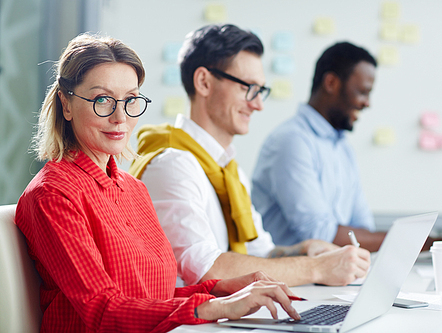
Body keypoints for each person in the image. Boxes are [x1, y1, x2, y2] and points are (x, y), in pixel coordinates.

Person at [15, 33, 301, 333]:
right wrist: (216, 306)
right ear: (67, 104)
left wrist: (222, 290)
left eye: (130, 100)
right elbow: (102, 310)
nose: (120, 116)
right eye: (102, 100)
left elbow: (152, 301)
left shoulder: (132, 189)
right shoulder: (53, 194)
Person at [129, 25, 370, 288]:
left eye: (260, 91)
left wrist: (305, 249)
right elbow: (208, 270)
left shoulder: (228, 170)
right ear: (204, 82)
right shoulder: (173, 164)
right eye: (248, 88)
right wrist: (316, 269)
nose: (258, 104)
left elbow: (260, 252)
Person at [251, 42, 437, 253]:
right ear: (331, 83)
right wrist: (419, 242)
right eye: (363, 92)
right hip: (290, 280)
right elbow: (320, 234)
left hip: (332, 278)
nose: (367, 103)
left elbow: (362, 227)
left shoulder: (342, 148)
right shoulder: (292, 141)